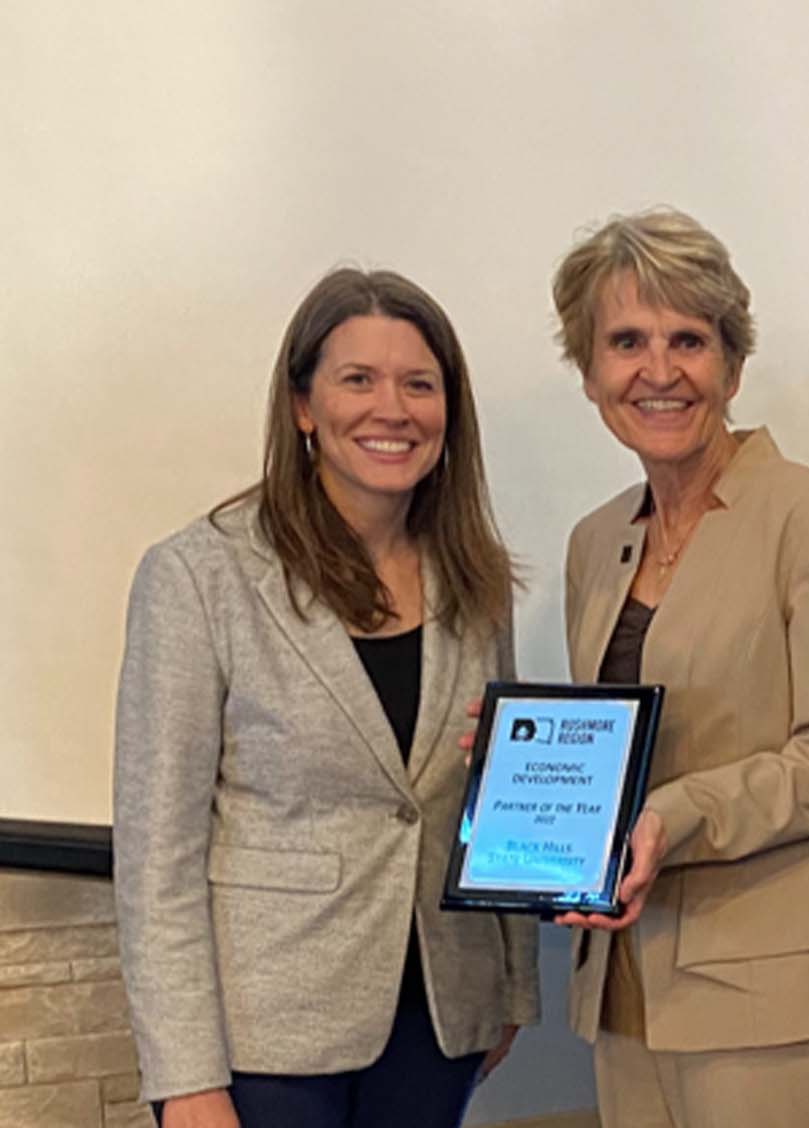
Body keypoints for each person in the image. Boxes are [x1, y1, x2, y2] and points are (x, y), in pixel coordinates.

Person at [114, 268, 539, 1128]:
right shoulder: (201, 576)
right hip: (265, 1038)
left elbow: (498, 792)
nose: (393, 408)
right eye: (358, 379)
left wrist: (511, 987)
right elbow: (157, 858)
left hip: (439, 1021)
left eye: (420, 384)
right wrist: (182, 1074)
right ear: (303, 405)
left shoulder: (472, 579)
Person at [547, 207, 809, 1127]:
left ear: (732, 365)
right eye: (625, 342)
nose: (658, 371)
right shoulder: (596, 540)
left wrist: (678, 813)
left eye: (688, 340)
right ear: (589, 372)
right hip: (620, 991)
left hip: (762, 999)